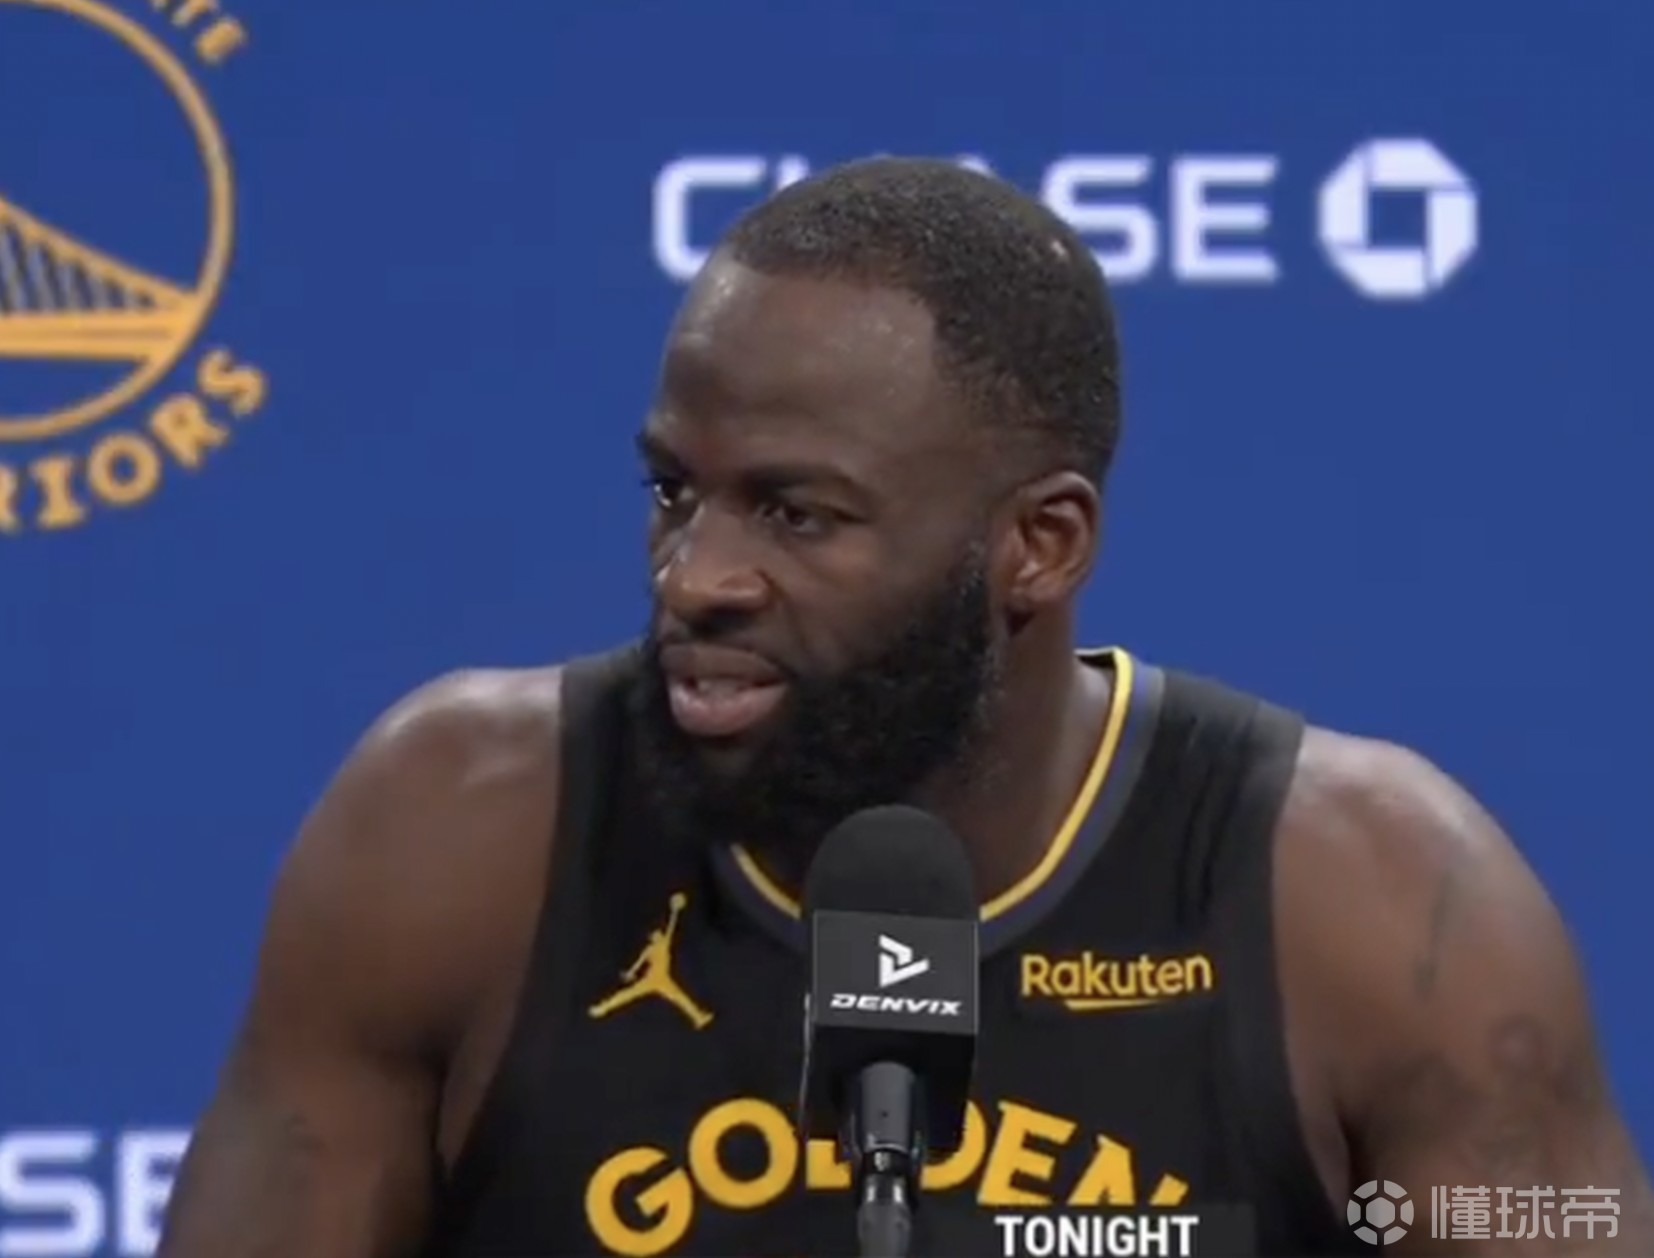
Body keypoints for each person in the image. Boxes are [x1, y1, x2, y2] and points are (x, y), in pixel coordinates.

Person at [156, 157, 1652, 1258]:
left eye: (795, 513)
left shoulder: (1377, 909)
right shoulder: (461, 831)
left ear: (1038, 545)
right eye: (673, 492)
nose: (695, 577)